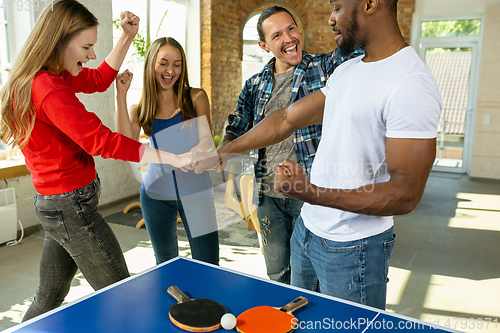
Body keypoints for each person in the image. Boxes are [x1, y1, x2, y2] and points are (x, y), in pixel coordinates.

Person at [192, 0, 442, 310]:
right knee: (300, 321)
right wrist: (223, 151)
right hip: (307, 233)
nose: (330, 19)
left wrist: (309, 192)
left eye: (337, 7)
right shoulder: (348, 71)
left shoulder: (411, 82)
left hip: (354, 248)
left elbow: (406, 193)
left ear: (369, 3)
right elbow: (286, 119)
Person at [0, 0, 190, 320]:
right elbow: (100, 140)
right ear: (60, 41)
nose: (91, 55)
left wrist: (127, 36)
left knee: (48, 299)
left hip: (58, 205)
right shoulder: (47, 87)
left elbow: (99, 79)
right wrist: (173, 156)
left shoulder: (51, 75)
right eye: (86, 46)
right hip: (71, 208)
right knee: (121, 293)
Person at [218, 5, 363, 284]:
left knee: (311, 276)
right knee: (277, 273)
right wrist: (223, 150)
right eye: (277, 36)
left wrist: (345, 20)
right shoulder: (254, 84)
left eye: (291, 28)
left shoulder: (322, 67)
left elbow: (359, 52)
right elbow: (237, 125)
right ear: (263, 45)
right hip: (267, 196)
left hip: (308, 195)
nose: (288, 38)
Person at [115, 37, 219, 265]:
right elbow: (125, 145)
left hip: (196, 191)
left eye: (177, 64)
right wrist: (120, 96)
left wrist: (191, 156)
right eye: (163, 63)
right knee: (165, 262)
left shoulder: (196, 97)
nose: (170, 70)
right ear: (152, 64)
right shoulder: (141, 109)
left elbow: (206, 141)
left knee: (208, 262)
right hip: (156, 193)